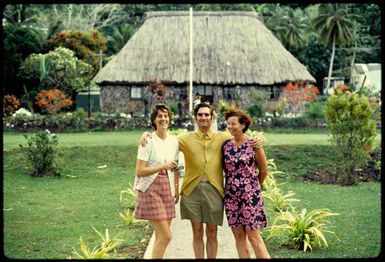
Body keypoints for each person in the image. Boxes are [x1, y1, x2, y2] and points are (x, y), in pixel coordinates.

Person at [140, 103, 262, 259]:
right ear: (195, 118)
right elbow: (164, 138)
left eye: (206, 115)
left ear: (212, 117)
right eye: (200, 115)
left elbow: (240, 136)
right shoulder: (184, 139)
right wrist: (146, 134)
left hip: (214, 190)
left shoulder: (223, 137)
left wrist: (255, 140)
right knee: (197, 232)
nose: (203, 118)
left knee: (212, 232)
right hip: (192, 190)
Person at [133, 103, 180, 259]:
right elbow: (140, 171)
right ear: (154, 120)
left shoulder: (174, 141)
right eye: (159, 116)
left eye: (166, 115)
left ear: (170, 119)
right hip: (150, 188)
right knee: (166, 236)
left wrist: (176, 189)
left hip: (166, 188)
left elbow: (174, 168)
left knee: (161, 237)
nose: (163, 118)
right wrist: (162, 166)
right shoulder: (148, 141)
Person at [222, 108, 270, 259]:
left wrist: (254, 188)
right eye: (228, 124)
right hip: (231, 197)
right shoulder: (226, 146)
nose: (230, 126)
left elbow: (263, 170)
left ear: (243, 125)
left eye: (233, 123)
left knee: (254, 238)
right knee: (238, 237)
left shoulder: (253, 144)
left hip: (250, 196)